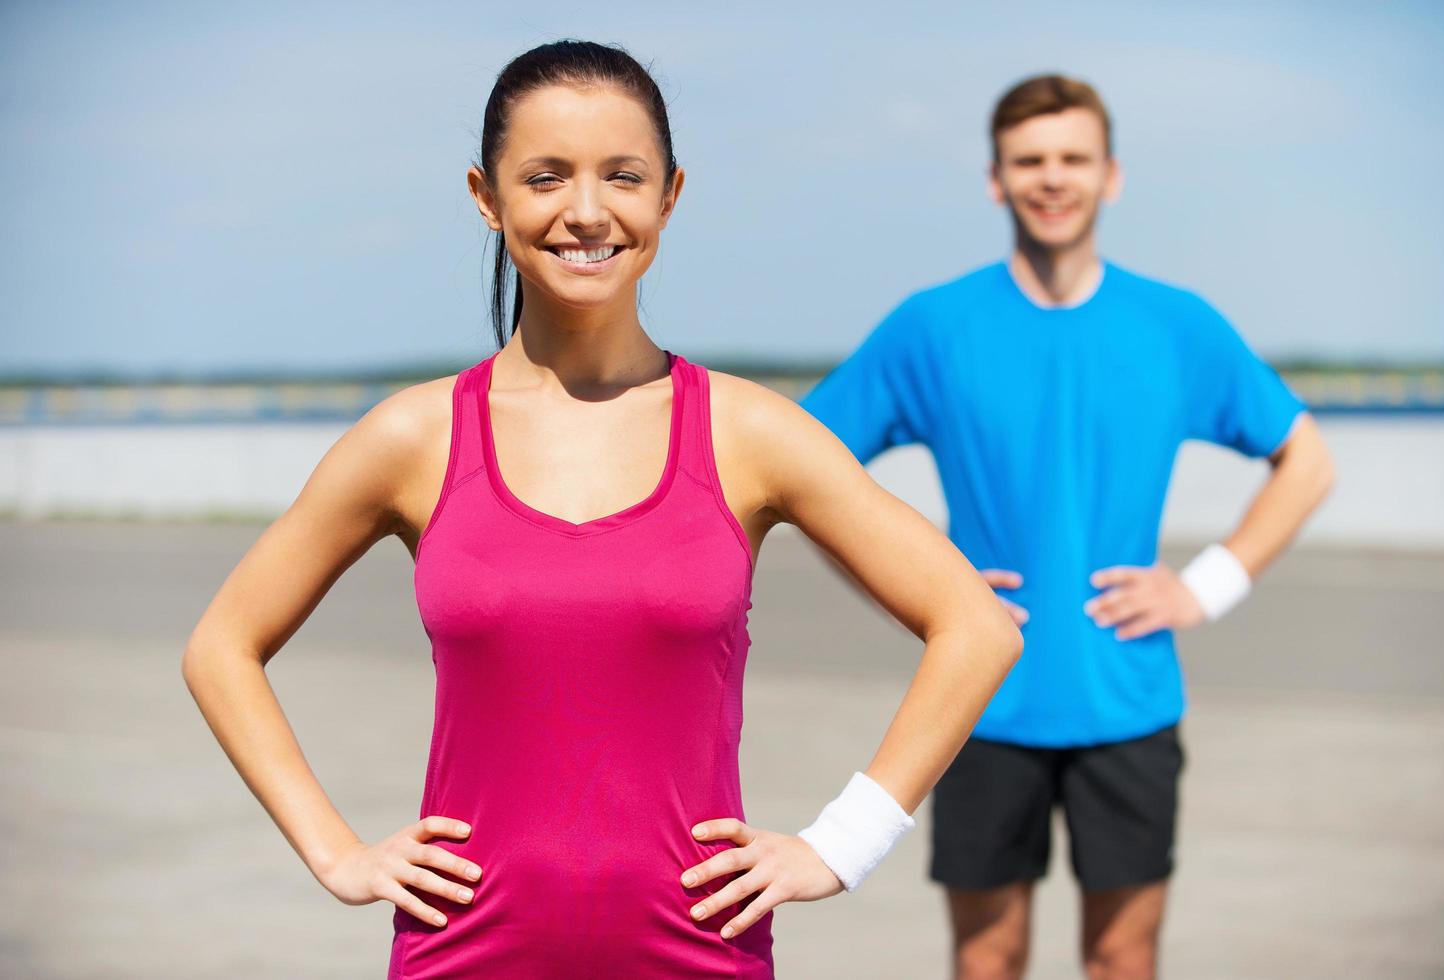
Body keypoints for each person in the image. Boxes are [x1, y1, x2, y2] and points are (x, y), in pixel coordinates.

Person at [180, 40, 1023, 980]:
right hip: (462, 955)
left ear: (669, 195)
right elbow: (221, 648)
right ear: (485, 197)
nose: (586, 212)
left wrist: (841, 844)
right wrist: (337, 853)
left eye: (622, 176)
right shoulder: (413, 438)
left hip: (698, 954)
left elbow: (974, 626)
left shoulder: (748, 431)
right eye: (545, 177)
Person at [800, 74, 1335, 980]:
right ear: (995, 179)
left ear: (1110, 175)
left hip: (1127, 697)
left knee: (1123, 957)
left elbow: (1306, 461)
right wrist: (919, 594)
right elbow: (806, 472)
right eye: (1030, 161)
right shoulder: (933, 326)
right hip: (978, 701)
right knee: (986, 958)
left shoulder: (1173, 324)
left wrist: (1205, 585)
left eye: (1072, 159)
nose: (1053, 178)